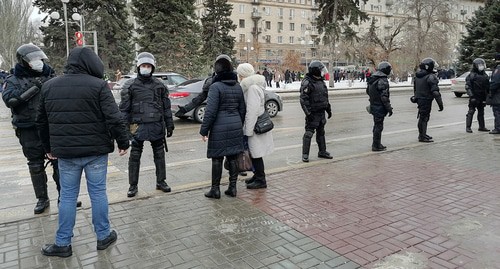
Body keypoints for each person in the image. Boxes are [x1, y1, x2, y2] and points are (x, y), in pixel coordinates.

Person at [36, 47, 130, 257]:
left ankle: (62, 244)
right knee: (98, 193)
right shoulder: (98, 86)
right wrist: (124, 142)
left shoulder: (49, 86)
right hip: (95, 152)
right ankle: (103, 236)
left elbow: (41, 122)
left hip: (66, 154)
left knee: (67, 197)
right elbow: (114, 118)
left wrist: (48, 148)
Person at [2, 44, 64, 214]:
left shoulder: (51, 75)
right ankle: (42, 199)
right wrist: (34, 86)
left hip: (51, 127)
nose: (38, 62)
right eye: (33, 59)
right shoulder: (13, 79)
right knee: (35, 164)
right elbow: (11, 101)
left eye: (40, 58)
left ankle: (64, 197)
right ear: (24, 61)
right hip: (28, 128)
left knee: (59, 162)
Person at [119, 52, 174, 198]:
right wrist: (124, 131)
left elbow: (166, 107)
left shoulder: (160, 85)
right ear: (138, 67)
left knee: (160, 155)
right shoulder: (129, 86)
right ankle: (133, 185)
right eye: (143, 66)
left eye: (148, 66)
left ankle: (161, 181)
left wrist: (170, 124)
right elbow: (124, 110)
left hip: (156, 125)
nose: (146, 68)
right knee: (135, 156)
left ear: (152, 68)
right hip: (137, 126)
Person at [200, 55, 246, 199]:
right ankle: (232, 188)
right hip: (235, 125)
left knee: (217, 158)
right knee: (233, 158)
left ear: (217, 71)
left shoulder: (215, 87)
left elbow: (210, 111)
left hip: (219, 128)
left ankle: (215, 190)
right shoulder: (237, 86)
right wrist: (238, 123)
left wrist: (204, 130)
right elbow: (243, 109)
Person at [236, 63, 274, 189]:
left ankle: (261, 180)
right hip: (254, 125)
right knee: (254, 153)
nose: (238, 77)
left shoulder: (252, 88)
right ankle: (257, 175)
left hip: (254, 127)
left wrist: (248, 130)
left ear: (243, 75)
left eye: (240, 74)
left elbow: (252, 111)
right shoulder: (253, 86)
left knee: (256, 153)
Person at [300, 61, 333, 162]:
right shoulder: (307, 82)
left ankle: (322, 151)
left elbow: (325, 97)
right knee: (309, 134)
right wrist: (308, 113)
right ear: (316, 71)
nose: (323, 72)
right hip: (313, 113)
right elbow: (303, 100)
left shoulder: (321, 81)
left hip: (321, 112)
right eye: (321, 70)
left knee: (321, 133)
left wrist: (328, 109)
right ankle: (305, 154)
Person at [413, 58, 444, 142]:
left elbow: (415, 89)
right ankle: (422, 136)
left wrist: (416, 97)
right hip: (426, 99)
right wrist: (440, 104)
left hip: (420, 99)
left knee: (422, 117)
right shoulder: (430, 77)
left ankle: (423, 134)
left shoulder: (418, 76)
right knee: (424, 118)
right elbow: (435, 92)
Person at [367, 62, 393, 151]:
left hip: (374, 105)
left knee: (376, 125)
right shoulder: (382, 80)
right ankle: (376, 145)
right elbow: (384, 97)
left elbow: (368, 91)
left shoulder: (373, 78)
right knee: (379, 126)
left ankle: (377, 143)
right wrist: (389, 108)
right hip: (379, 107)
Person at [465, 58, 490, 133]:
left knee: (481, 112)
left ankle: (482, 126)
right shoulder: (471, 75)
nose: (481, 66)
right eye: (480, 65)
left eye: (482, 65)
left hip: (482, 96)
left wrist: (488, 95)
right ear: (475, 66)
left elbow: (487, 86)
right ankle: (468, 127)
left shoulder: (484, 75)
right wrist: (471, 96)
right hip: (474, 96)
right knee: (471, 111)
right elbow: (468, 86)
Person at [488, 53, 500, 134]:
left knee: (497, 111)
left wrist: (490, 92)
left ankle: (498, 128)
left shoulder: (498, 69)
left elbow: (495, 82)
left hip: (498, 94)